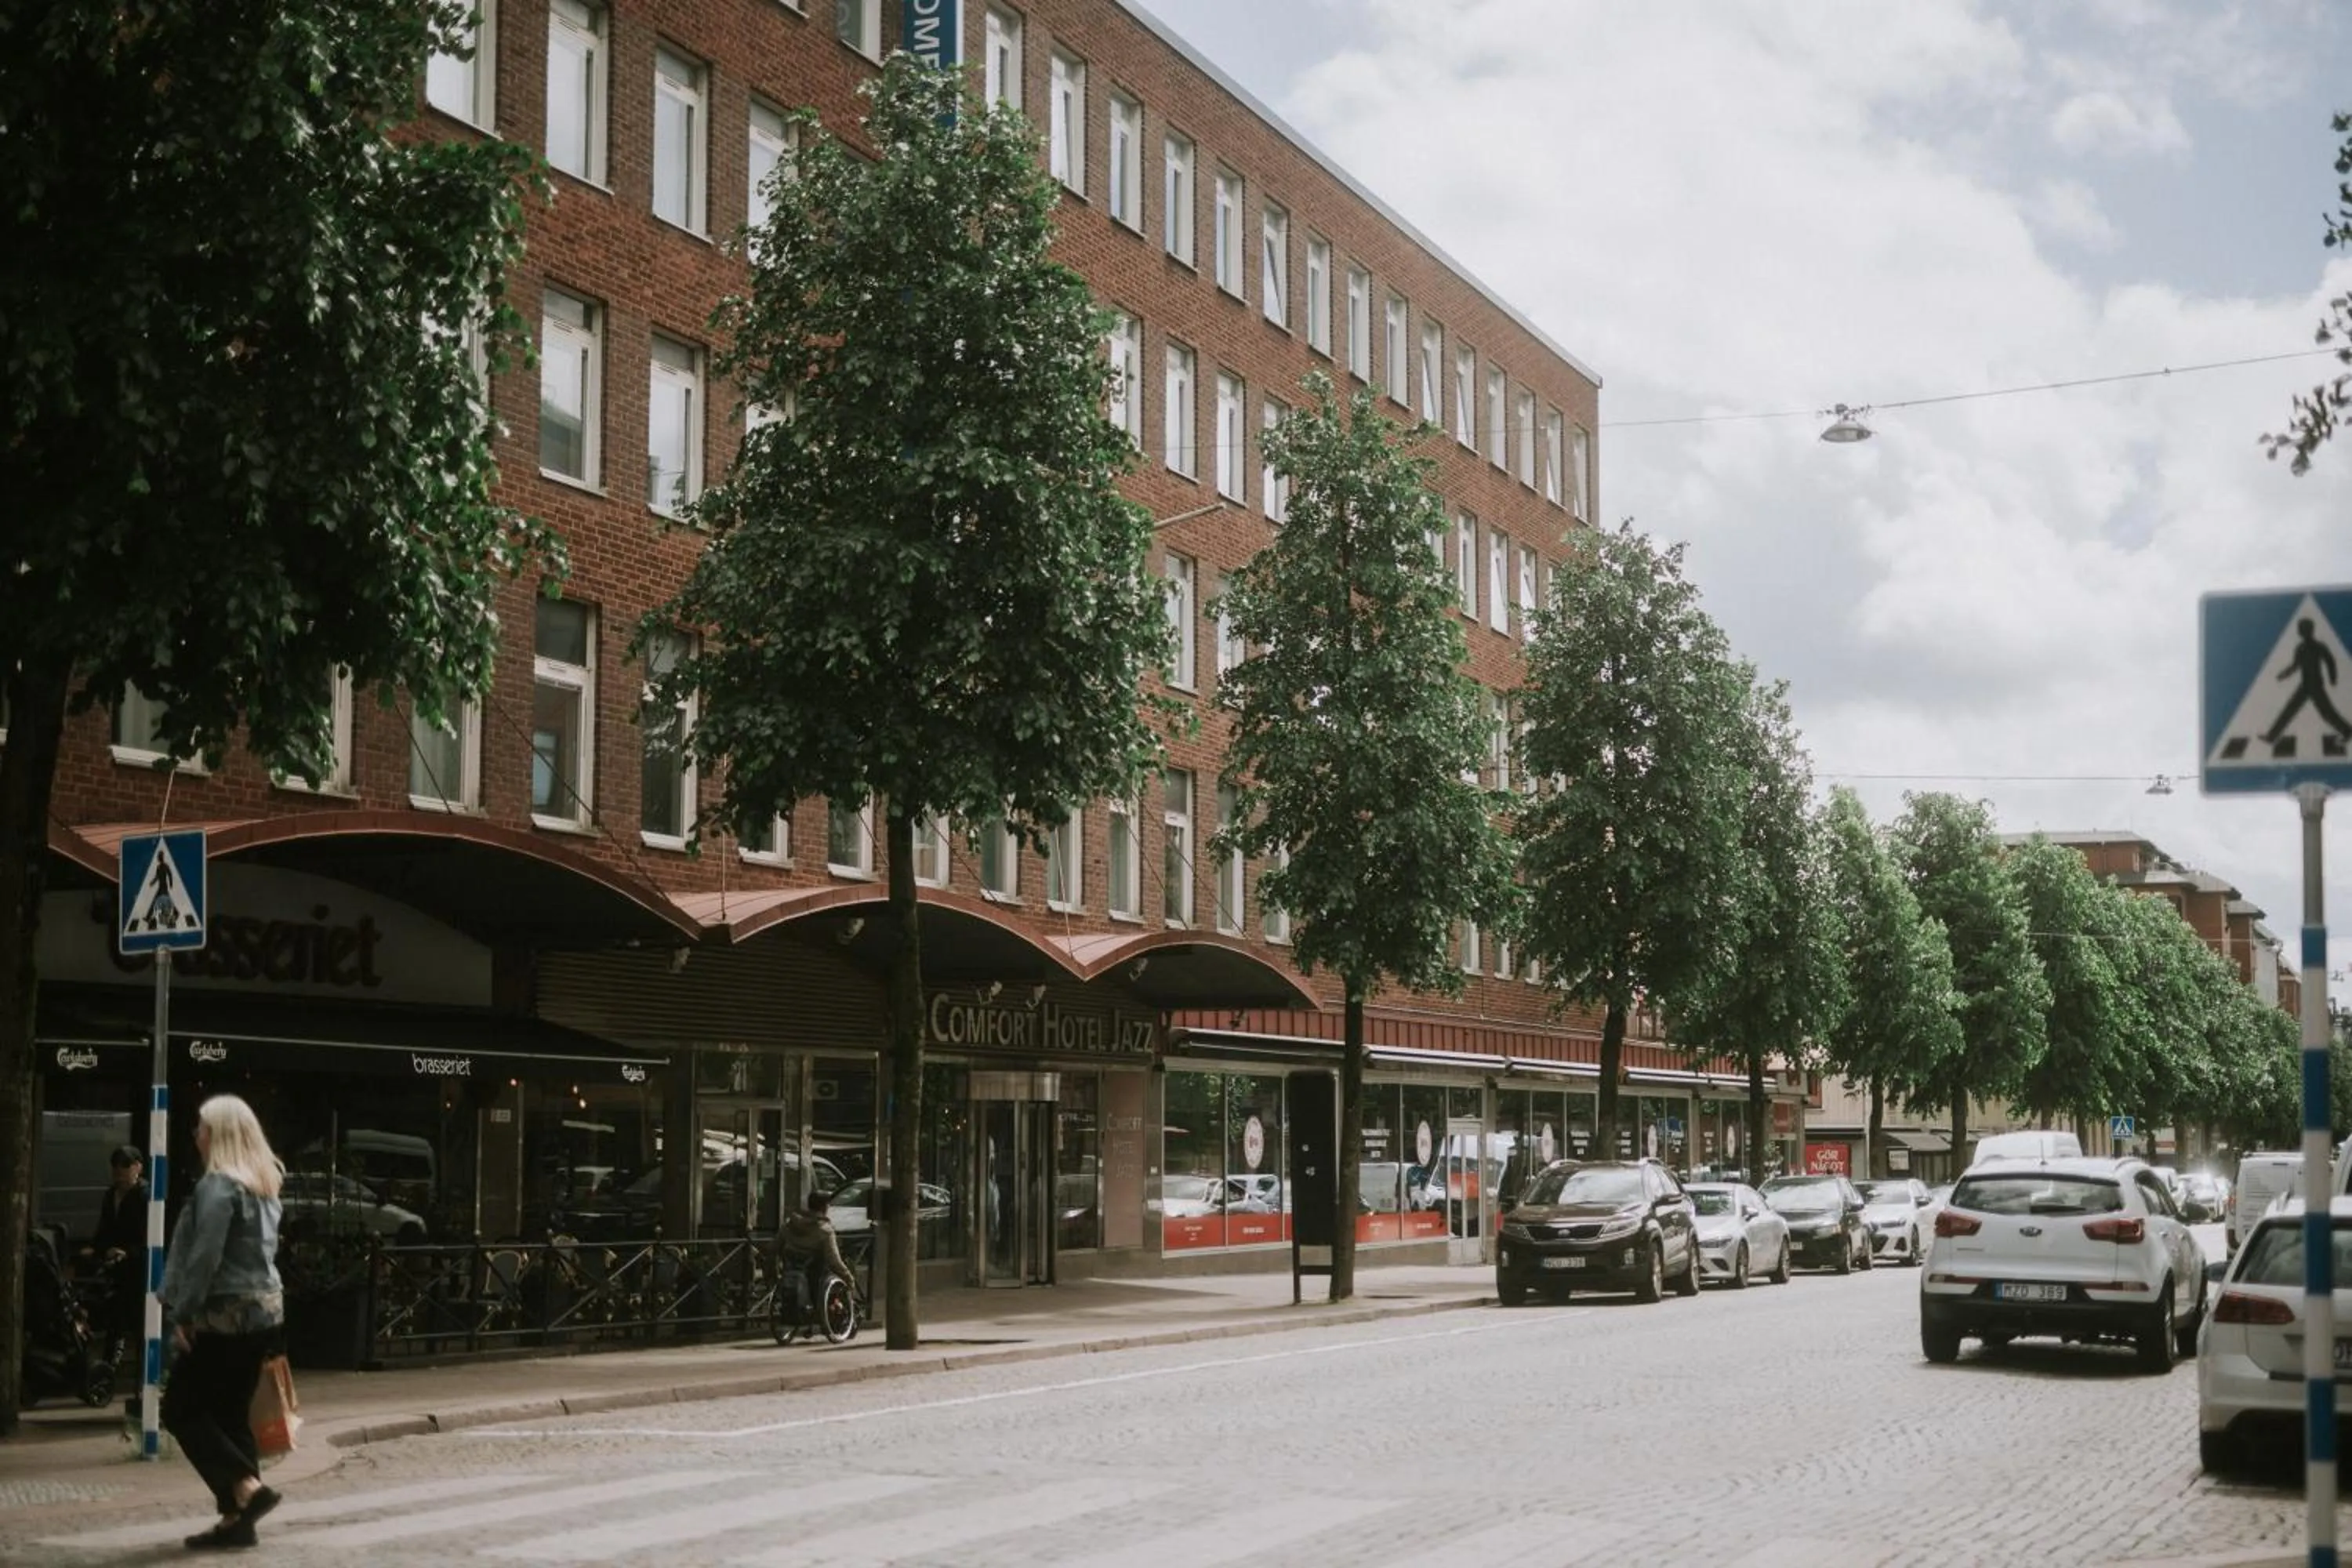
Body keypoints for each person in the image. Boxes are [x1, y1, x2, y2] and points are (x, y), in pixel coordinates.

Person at [159, 1095, 287, 1552]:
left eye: (202, 1126)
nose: (196, 1134)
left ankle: (248, 1490)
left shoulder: (218, 1186)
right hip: (263, 1315)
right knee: (231, 1415)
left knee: (181, 1407)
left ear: (219, 1134)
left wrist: (185, 1313)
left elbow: (205, 1257)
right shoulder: (264, 1183)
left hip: (224, 1315)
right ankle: (236, 1522)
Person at [82, 1145, 148, 1359]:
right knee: (113, 1314)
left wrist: (128, 1252)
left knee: (135, 1317)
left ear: (138, 1167)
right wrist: (97, 1248)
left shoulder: (145, 1196)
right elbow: (105, 1227)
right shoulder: (111, 1195)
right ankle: (109, 1363)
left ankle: (136, 1365)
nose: (120, 1171)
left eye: (126, 1166)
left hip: (136, 1265)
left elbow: (149, 1234)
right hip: (114, 1263)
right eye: (116, 1166)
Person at [777, 1189, 854, 1317]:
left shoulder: (789, 1225)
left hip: (791, 1269)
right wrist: (849, 1278)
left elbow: (774, 1247)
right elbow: (834, 1260)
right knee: (839, 1271)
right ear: (824, 1207)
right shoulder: (825, 1230)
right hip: (815, 1275)